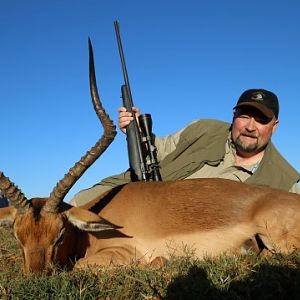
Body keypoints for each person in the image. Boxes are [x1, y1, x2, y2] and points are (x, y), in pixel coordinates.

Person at [70, 88, 300, 206]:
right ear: (233, 116)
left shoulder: (286, 181)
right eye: (244, 116)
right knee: (76, 204)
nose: (250, 126)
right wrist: (139, 133)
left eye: (261, 120)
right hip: (144, 193)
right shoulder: (204, 128)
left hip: (185, 228)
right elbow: (160, 148)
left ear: (275, 126)